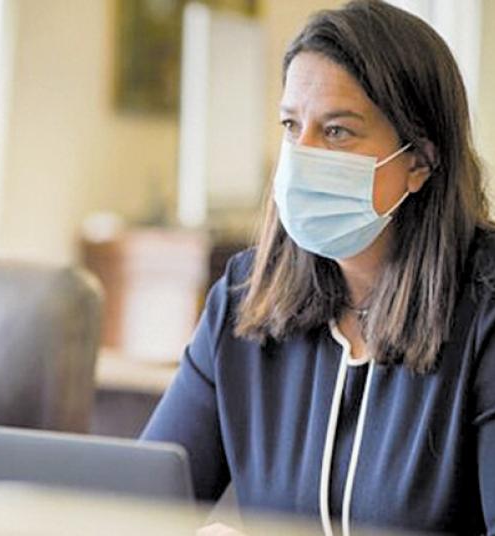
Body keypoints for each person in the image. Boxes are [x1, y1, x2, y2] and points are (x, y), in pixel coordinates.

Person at [142, 1, 495, 534]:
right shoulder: (243, 297)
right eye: (291, 126)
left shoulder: (485, 311)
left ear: (420, 160)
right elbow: (139, 502)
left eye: (336, 132)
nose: (301, 155)